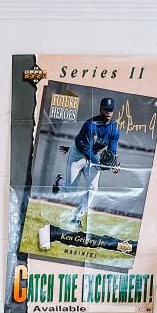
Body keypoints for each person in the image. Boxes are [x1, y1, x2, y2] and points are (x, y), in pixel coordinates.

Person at [52, 95, 121, 230]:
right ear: (100, 109)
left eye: (110, 110)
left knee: (93, 188)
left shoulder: (114, 128)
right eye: (105, 109)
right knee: (70, 190)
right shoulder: (90, 125)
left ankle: (77, 218)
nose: (108, 112)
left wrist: (112, 163)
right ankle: (59, 181)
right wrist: (99, 164)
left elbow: (112, 150)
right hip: (78, 154)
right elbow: (86, 149)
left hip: (93, 155)